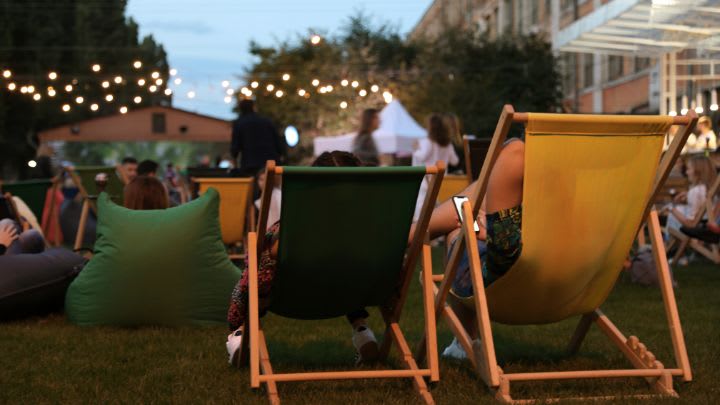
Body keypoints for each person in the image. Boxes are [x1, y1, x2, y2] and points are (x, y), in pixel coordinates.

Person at [226, 151, 378, 367]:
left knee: (255, 272)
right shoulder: (369, 228)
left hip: (290, 297)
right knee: (344, 271)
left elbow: (269, 259)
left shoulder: (292, 229)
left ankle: (240, 334)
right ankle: (363, 332)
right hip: (346, 293)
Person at [414, 138, 524, 359]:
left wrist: (487, 234)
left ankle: (464, 341)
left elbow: (505, 253)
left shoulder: (515, 154)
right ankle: (416, 231)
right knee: (469, 204)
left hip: (512, 279)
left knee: (459, 232)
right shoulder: (572, 175)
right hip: (577, 282)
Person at [412, 113, 460, 220]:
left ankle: (419, 231)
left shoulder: (428, 142)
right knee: (439, 208)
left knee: (420, 206)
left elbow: (421, 156)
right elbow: (455, 161)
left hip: (426, 179)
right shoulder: (448, 144)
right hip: (442, 179)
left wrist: (415, 149)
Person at [664, 155, 716, 244]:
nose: (686, 172)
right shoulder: (710, 189)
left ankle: (668, 244)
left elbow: (691, 223)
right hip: (707, 222)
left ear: (698, 172)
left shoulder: (695, 192)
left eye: (689, 169)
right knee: (679, 208)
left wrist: (671, 208)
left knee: (673, 212)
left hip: (698, 228)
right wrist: (688, 195)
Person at [231, 99, 285, 176]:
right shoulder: (266, 121)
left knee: (253, 186)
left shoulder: (239, 123)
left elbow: (235, 147)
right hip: (271, 161)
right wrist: (281, 154)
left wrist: (234, 160)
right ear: (253, 107)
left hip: (249, 163)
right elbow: (278, 140)